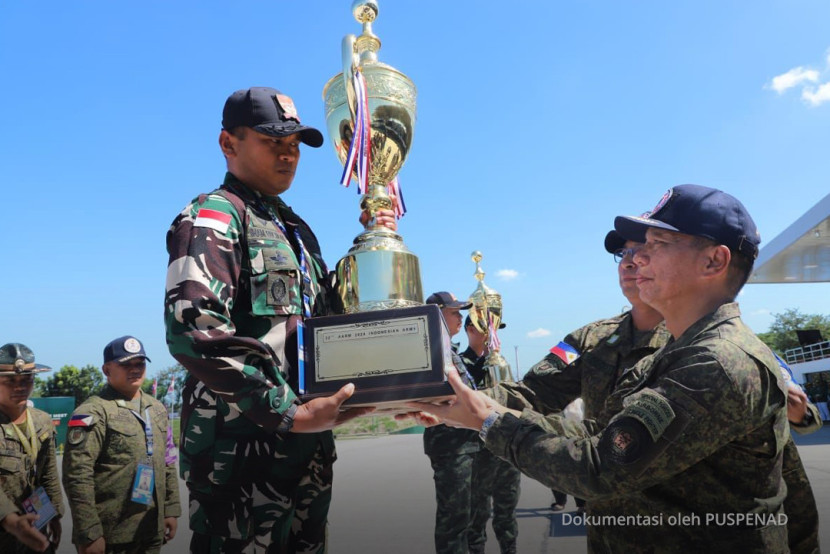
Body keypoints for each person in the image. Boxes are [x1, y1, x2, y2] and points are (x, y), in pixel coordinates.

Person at [415, 185, 793, 552]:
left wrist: (487, 420)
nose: (637, 258)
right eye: (632, 249)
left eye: (656, 245)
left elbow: (600, 466)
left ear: (714, 261)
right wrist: (447, 400)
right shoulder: (657, 346)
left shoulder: (717, 361)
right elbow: (581, 423)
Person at [164, 86, 397, 553]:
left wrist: (373, 245)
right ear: (229, 143)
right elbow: (194, 330)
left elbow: (326, 325)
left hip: (304, 453)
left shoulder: (293, 228)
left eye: (294, 146)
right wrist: (287, 412)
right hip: (243, 458)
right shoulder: (216, 216)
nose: (288, 155)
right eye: (273, 142)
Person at [62, 336, 180, 554]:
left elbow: (169, 461)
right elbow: (77, 475)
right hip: (110, 534)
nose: (135, 370)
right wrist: (89, 532)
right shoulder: (93, 412)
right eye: (126, 364)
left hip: (150, 526)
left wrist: (171, 509)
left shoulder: (156, 409)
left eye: (140, 364)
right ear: (107, 370)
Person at [421, 292, 479, 554]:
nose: (460, 317)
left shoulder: (446, 349)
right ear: (437, 313)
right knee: (453, 520)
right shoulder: (431, 350)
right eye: (455, 312)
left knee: (466, 518)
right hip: (451, 445)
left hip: (464, 443)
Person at [463, 316, 520, 554]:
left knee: (507, 509)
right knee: (478, 512)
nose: (490, 334)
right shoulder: (460, 363)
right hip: (478, 448)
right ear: (469, 330)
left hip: (505, 446)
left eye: (494, 329)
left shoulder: (501, 362)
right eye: (485, 328)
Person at [0, 343, 62, 554]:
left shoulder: (42, 421)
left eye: (27, 379)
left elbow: (48, 474)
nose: (20, 387)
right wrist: (10, 520)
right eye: (10, 381)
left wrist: (55, 514)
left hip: (37, 525)